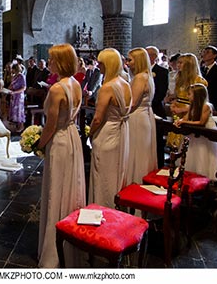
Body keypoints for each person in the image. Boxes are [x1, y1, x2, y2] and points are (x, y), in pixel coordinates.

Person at [37, 44, 85, 268]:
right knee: (70, 185)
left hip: (59, 139)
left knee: (56, 187)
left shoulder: (57, 88)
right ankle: (72, 238)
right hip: (73, 137)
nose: (49, 63)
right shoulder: (75, 84)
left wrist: (39, 144)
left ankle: (54, 249)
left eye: (52, 60)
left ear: (62, 62)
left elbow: (51, 125)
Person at [87, 48, 132, 209]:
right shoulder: (125, 84)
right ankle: (118, 206)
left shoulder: (108, 87)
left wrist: (90, 133)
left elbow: (98, 118)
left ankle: (103, 206)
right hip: (122, 132)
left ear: (108, 64)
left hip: (107, 133)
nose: (98, 66)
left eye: (101, 63)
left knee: (104, 174)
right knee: (117, 170)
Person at [174, 83, 217, 181]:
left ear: (197, 95)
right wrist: (180, 121)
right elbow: (186, 118)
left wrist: (185, 121)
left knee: (202, 152)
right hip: (194, 132)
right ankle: (190, 174)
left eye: (190, 94)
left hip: (206, 134)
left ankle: (202, 175)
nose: (188, 96)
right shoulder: (192, 105)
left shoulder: (206, 106)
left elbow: (201, 122)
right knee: (190, 150)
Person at [125, 48, 157, 185]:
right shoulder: (147, 76)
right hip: (145, 115)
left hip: (137, 117)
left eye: (130, 60)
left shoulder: (140, 78)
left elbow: (132, 104)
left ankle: (135, 184)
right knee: (142, 152)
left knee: (136, 153)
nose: (127, 63)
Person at [170, 53, 208, 119]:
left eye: (181, 63)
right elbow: (177, 97)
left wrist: (182, 109)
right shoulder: (179, 79)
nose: (178, 65)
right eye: (178, 63)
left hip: (191, 113)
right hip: (178, 112)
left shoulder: (199, 81)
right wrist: (174, 104)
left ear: (189, 65)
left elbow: (199, 104)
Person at [146, 46, 169, 119]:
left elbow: (162, 91)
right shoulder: (141, 71)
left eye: (146, 55)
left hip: (155, 106)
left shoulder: (162, 71)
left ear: (153, 56)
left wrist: (150, 103)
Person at [8, 63, 26, 132]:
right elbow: (11, 85)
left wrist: (15, 92)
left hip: (19, 96)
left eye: (13, 69)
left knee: (19, 110)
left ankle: (21, 126)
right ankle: (16, 126)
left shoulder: (21, 76)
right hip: (13, 95)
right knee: (14, 111)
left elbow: (24, 87)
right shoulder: (14, 76)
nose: (12, 70)